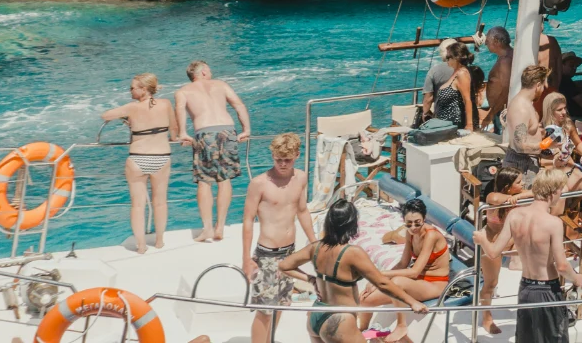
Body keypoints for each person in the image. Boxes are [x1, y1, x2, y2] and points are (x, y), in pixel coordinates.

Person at [280, 200, 425, 343]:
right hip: (339, 319)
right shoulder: (352, 253)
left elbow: (284, 265)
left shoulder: (315, 247)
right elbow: (382, 283)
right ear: (352, 224)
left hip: (316, 315)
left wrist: (311, 279)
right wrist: (412, 302)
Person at [495, 169, 582, 343]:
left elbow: (495, 251)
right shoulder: (553, 223)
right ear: (553, 193)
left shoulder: (515, 214)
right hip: (547, 290)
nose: (561, 195)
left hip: (525, 288)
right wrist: (576, 278)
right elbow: (561, 265)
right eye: (561, 191)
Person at [241, 133, 314, 343]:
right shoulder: (259, 183)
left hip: (290, 253)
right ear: (272, 156)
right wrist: (247, 258)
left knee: (282, 304)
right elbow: (248, 220)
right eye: (278, 159)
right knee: (264, 310)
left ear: (297, 156)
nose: (282, 164)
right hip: (266, 255)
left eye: (287, 160)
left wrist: (314, 242)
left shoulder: (300, 177)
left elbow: (302, 210)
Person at [102, 73, 179, 253]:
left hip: (138, 158)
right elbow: (174, 129)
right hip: (161, 157)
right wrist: (174, 137)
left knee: (137, 205)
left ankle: (142, 245)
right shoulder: (165, 104)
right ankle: (159, 240)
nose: (130, 91)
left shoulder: (131, 108)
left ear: (143, 89)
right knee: (160, 202)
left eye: (132, 88)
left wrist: (126, 119)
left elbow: (105, 115)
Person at [176, 59, 252, 242]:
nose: (211, 73)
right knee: (224, 180)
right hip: (227, 130)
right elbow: (239, 105)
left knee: (204, 181)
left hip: (205, 132)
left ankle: (208, 228)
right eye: (209, 70)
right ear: (202, 72)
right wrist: (246, 129)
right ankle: (220, 227)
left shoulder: (183, 91)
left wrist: (183, 133)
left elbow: (179, 110)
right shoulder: (221, 85)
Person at [358, 198, 451, 343]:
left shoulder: (431, 235)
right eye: (409, 223)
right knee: (365, 299)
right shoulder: (410, 233)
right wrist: (378, 281)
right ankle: (361, 333)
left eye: (417, 222)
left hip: (435, 284)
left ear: (424, 219)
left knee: (397, 282)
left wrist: (380, 274)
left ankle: (401, 326)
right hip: (417, 282)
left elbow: (414, 271)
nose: (413, 227)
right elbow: (403, 263)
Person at [473, 165, 525, 335]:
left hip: (511, 241)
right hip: (491, 242)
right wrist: (511, 199)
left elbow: (535, 193)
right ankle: (486, 318)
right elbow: (497, 199)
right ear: (508, 186)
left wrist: (518, 196)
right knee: (491, 284)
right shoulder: (493, 196)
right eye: (519, 182)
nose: (523, 183)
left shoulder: (517, 197)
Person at [503, 64, 549, 174]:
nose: (544, 89)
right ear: (538, 85)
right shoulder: (521, 108)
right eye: (543, 86)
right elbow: (520, 146)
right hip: (521, 166)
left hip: (526, 162)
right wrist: (547, 144)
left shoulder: (526, 103)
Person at [423, 40, 477, 132]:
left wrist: (469, 125)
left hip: (454, 124)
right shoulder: (455, 72)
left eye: (448, 57)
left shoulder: (462, 73)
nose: (446, 59)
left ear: (456, 58)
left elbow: (467, 100)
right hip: (445, 124)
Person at [481, 27, 513, 132]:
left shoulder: (505, 61)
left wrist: (490, 114)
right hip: (500, 109)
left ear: (496, 41)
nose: (485, 43)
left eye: (487, 41)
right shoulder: (506, 56)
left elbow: (506, 90)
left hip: (501, 111)